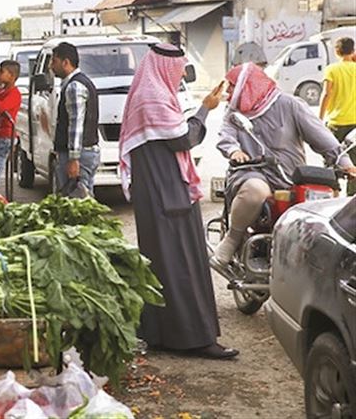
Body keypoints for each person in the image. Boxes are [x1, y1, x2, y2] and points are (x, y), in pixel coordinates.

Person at [118, 43, 235, 359]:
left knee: (160, 264)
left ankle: (160, 335)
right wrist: (205, 108)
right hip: (167, 193)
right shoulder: (153, 98)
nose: (183, 73)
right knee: (182, 263)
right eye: (180, 67)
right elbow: (184, 138)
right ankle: (196, 339)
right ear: (164, 68)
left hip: (157, 191)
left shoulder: (149, 95)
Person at [213, 62, 356, 267]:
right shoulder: (235, 112)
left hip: (289, 176)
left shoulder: (290, 104)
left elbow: (322, 138)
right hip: (251, 172)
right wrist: (234, 151)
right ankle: (233, 239)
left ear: (249, 84)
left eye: (233, 86)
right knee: (255, 190)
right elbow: (226, 136)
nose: (229, 91)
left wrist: (345, 163)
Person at [49, 42, 100, 197]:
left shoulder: (74, 86)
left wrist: (74, 159)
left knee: (77, 204)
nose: (51, 66)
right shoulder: (79, 83)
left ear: (66, 62)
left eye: (54, 61)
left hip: (79, 155)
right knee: (83, 201)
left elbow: (76, 125)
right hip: (85, 152)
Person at [319, 37, 356, 195]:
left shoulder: (331, 69)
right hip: (354, 125)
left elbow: (326, 94)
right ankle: (351, 198)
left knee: (331, 160)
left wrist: (319, 119)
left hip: (335, 123)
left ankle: (333, 194)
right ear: (352, 51)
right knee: (354, 163)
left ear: (336, 51)